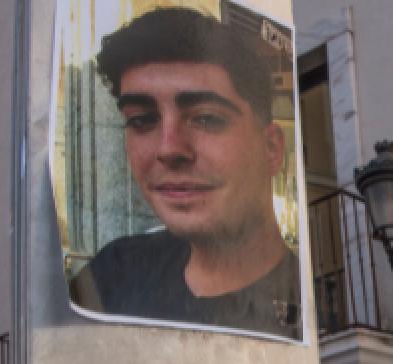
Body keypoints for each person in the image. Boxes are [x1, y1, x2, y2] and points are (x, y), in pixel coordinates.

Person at [69, 8, 302, 339]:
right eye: (141, 120)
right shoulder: (112, 276)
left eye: (206, 118)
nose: (169, 149)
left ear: (272, 149)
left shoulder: (307, 304)